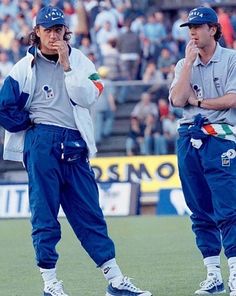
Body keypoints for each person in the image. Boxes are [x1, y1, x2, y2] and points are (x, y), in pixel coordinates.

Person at [0, 6, 152, 296]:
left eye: (58, 29)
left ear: (65, 31)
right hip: (42, 140)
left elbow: (88, 96)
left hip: (75, 144)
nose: (54, 35)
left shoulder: (80, 61)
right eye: (48, 30)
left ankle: (115, 280)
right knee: (44, 214)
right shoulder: (22, 67)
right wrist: (27, 123)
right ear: (37, 32)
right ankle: (50, 283)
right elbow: (3, 107)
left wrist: (68, 65)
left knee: (90, 213)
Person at [169, 6, 236, 296]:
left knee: (229, 207)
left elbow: (233, 99)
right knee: (198, 208)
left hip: (221, 138)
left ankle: (234, 272)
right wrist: (187, 65)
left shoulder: (231, 59)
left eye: (198, 27)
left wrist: (200, 103)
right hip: (188, 138)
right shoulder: (184, 62)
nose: (193, 33)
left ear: (213, 29)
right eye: (190, 28)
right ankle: (213, 275)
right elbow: (176, 99)